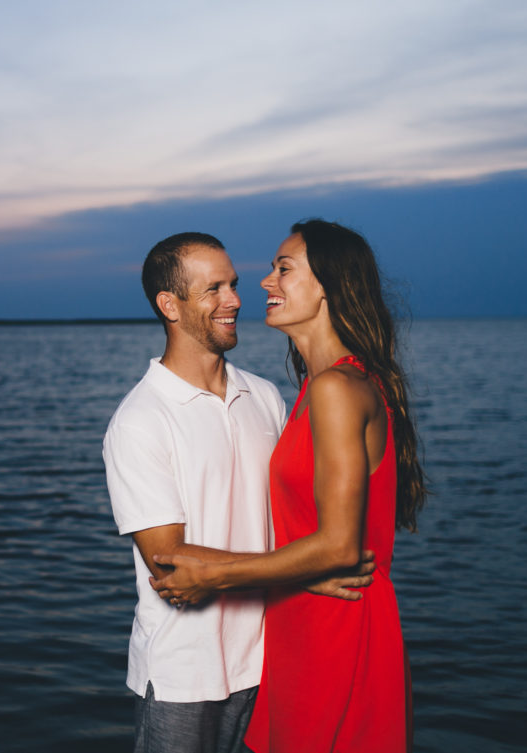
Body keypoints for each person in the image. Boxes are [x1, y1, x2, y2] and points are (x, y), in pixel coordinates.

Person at [151, 220, 428, 752]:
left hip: (336, 630)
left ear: (326, 284)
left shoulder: (337, 390)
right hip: (304, 620)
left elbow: (340, 545)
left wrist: (211, 575)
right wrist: (287, 583)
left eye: (283, 268)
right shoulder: (314, 390)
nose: (264, 282)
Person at [104, 232, 374, 753]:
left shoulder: (266, 396)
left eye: (232, 284)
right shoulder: (140, 421)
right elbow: (170, 564)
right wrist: (305, 571)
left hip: (272, 658)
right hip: (185, 673)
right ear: (170, 305)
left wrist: (306, 571)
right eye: (214, 290)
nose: (235, 300)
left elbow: (293, 522)